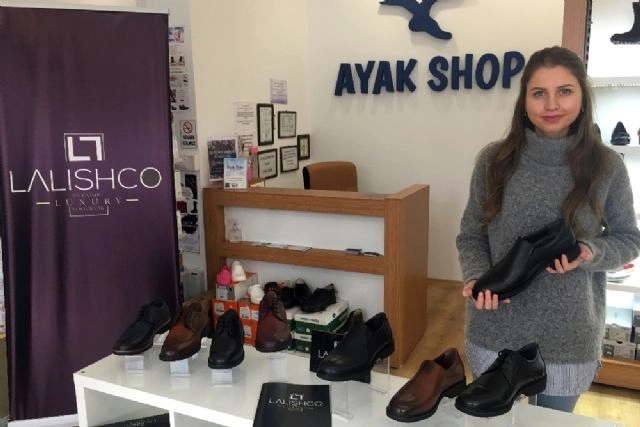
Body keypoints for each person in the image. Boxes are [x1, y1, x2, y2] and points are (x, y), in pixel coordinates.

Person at [456, 46, 640, 413]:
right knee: (491, 420)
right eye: (539, 93)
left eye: (565, 91)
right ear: (524, 101)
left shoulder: (606, 165)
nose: (552, 104)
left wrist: (589, 252)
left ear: (582, 98)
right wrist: (477, 276)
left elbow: (629, 239)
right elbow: (472, 235)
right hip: (496, 327)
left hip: (569, 336)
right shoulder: (494, 161)